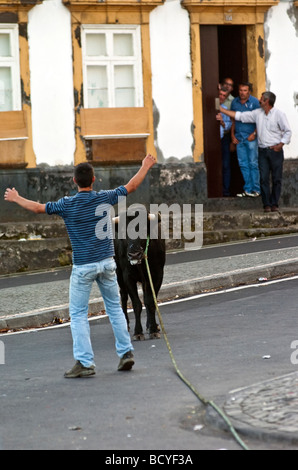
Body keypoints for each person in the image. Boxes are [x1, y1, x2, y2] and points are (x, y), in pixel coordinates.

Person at [4, 154, 157, 378]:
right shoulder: (105, 198)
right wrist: (145, 165)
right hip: (106, 263)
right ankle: (126, 353)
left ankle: (85, 363)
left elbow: (37, 208)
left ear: (74, 181)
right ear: (94, 179)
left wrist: (17, 197)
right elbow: (131, 186)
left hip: (83, 267)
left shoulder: (66, 204)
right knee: (115, 309)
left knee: (77, 314)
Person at [220, 91, 292, 212]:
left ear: (267, 101)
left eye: (262, 99)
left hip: (275, 151)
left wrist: (281, 144)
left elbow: (288, 131)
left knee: (276, 178)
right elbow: (241, 116)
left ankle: (274, 203)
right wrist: (222, 110)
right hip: (263, 151)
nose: (259, 100)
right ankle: (266, 204)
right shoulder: (258, 113)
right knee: (263, 178)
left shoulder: (279, 114)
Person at [230, 82, 261, 198]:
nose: (242, 93)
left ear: (249, 91)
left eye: (245, 90)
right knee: (243, 164)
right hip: (239, 138)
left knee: (253, 163)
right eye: (240, 90)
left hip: (251, 138)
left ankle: (256, 190)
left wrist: (254, 133)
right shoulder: (234, 102)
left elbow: (260, 119)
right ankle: (247, 189)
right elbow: (233, 120)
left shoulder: (255, 102)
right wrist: (232, 135)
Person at [216, 87, 232, 196]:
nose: (221, 97)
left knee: (226, 165)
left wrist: (222, 122)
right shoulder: (208, 106)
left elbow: (229, 126)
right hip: (212, 141)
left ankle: (225, 190)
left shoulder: (225, 108)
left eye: (224, 96)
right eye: (220, 94)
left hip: (224, 139)